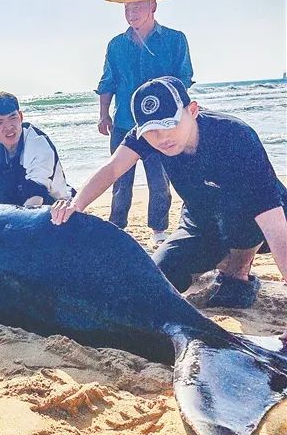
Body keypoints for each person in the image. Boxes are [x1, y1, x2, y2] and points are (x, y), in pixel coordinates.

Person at [51, 77, 287, 309]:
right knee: (159, 278)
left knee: (237, 212)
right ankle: (221, 262)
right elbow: (113, 168)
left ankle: (238, 274)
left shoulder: (236, 137)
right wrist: (76, 204)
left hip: (256, 215)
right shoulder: (148, 136)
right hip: (201, 218)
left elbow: (274, 225)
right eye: (151, 131)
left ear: (192, 110)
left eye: (170, 124)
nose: (162, 138)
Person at [97, 0, 194, 245]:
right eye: (127, 8)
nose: (132, 13)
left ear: (153, 6)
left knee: (159, 181)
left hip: (161, 125)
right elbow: (108, 81)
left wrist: (181, 119)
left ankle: (159, 232)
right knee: (119, 179)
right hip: (124, 123)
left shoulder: (175, 39)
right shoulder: (116, 45)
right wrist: (103, 114)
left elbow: (183, 79)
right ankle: (116, 229)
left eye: (138, 6)